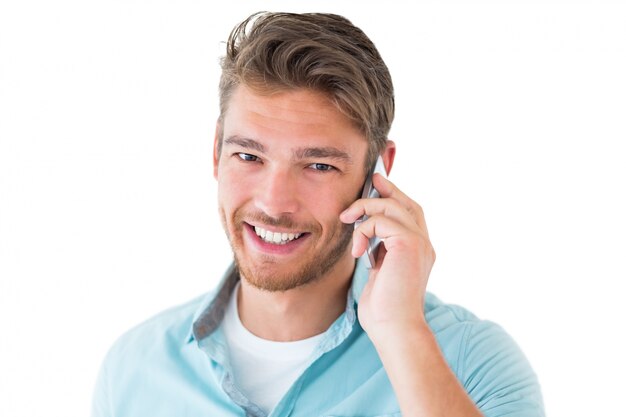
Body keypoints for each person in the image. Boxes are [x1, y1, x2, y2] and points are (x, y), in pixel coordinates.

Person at [92, 12, 544, 417]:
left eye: (319, 166)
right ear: (216, 152)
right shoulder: (134, 369)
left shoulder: (472, 364)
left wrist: (400, 332)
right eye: (249, 156)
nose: (274, 203)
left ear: (376, 173)